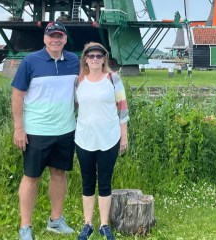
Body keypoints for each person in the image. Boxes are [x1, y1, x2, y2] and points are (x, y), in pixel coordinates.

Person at [11, 21, 80, 240]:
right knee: (31, 177)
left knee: (59, 174)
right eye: (52, 36)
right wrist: (18, 128)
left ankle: (56, 220)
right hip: (37, 131)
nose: (56, 40)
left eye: (60, 36)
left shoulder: (74, 61)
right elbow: (17, 95)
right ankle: (25, 226)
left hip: (66, 129)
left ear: (65, 40)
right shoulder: (31, 61)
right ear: (45, 39)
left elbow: (78, 91)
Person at [73, 42, 129, 240]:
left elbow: (122, 108)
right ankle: (87, 224)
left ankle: (104, 225)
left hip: (109, 137)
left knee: (105, 181)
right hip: (84, 138)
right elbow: (74, 107)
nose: (95, 59)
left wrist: (124, 135)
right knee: (87, 181)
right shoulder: (78, 81)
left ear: (104, 58)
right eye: (91, 56)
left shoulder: (113, 79)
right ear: (85, 59)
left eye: (99, 56)